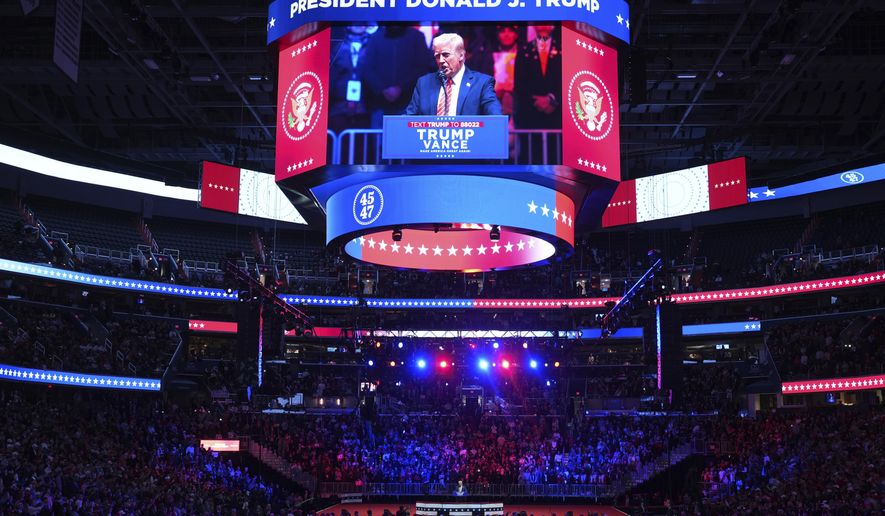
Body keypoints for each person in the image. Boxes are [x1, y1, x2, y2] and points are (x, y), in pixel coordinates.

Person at [405, 33, 503, 117]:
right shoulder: (424, 83)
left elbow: (495, 117)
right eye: (437, 56)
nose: (441, 61)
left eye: (446, 55)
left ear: (461, 55)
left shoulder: (482, 83)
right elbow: (407, 120)